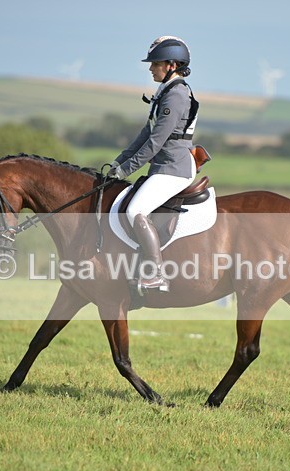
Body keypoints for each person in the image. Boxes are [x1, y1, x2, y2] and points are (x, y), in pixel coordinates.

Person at [107, 36, 199, 293]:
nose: (150, 68)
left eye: (155, 63)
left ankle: (156, 274)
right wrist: (119, 160)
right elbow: (145, 134)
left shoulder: (177, 95)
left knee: (135, 210)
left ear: (171, 64)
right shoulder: (165, 92)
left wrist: (126, 170)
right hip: (162, 167)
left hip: (173, 168)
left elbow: (155, 143)